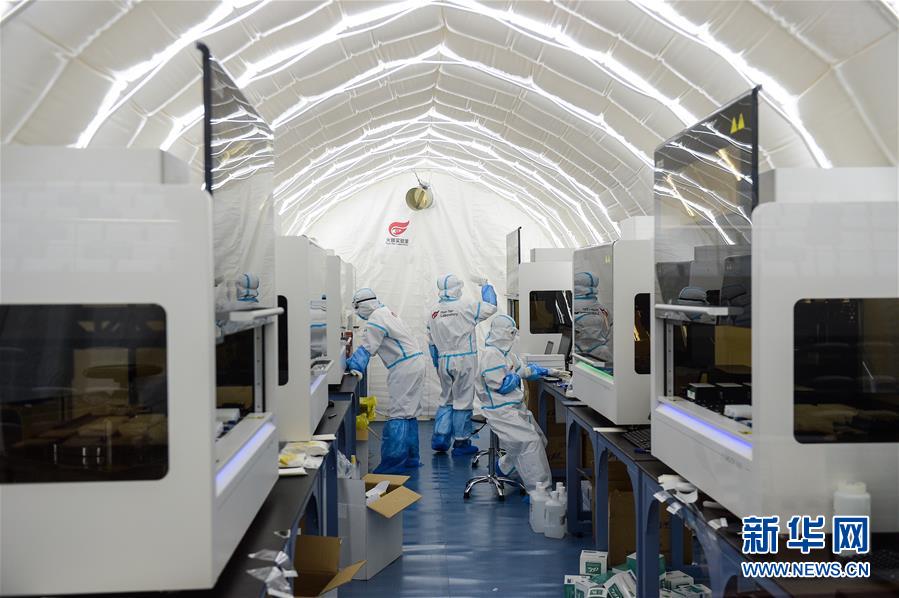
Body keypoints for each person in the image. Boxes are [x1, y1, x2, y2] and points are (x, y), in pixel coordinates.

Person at [346, 288, 426, 474]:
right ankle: (411, 459)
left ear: (364, 305)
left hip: (405, 367)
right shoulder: (386, 312)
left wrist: (355, 365)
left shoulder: (376, 318)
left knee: (399, 414)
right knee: (409, 412)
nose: (357, 312)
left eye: (357, 308)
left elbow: (368, 347)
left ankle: (392, 464)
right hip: (415, 363)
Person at [476, 315, 552, 494]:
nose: (513, 337)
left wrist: (542, 371)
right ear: (501, 333)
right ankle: (539, 492)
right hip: (499, 411)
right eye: (511, 333)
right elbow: (502, 386)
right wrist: (520, 375)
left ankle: (504, 468)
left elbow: (519, 369)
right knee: (530, 443)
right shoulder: (491, 355)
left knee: (540, 439)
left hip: (514, 407)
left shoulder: (505, 354)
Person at [427, 274, 497, 456]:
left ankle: (441, 438)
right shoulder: (466, 306)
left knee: (446, 399)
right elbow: (491, 307)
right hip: (464, 359)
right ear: (457, 288)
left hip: (443, 360)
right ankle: (461, 442)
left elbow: (431, 342)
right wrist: (485, 286)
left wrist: (437, 362)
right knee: (463, 401)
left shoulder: (433, 311)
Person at [573, 271, 613, 363]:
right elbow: (608, 333)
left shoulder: (569, 307)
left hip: (576, 357)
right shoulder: (603, 310)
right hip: (600, 357)